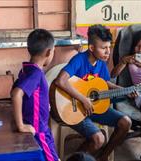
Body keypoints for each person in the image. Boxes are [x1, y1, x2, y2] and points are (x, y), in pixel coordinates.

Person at [54, 24, 132, 161]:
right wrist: (83, 100)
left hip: (94, 107)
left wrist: (125, 90)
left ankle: (102, 157)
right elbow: (60, 81)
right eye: (104, 48)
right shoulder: (79, 60)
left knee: (125, 122)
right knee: (98, 139)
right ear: (91, 48)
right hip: (75, 109)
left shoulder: (101, 62)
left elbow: (104, 83)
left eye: (109, 47)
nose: (108, 52)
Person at [11, 29, 59, 161]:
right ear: (49, 52)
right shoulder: (36, 74)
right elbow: (16, 94)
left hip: (38, 125)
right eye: (53, 51)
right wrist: (20, 125)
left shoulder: (27, 68)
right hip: (39, 130)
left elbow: (15, 89)